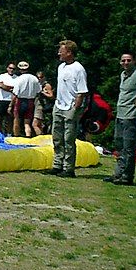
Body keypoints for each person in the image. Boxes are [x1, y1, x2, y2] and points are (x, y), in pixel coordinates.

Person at [48, 40, 88, 178]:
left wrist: (75, 108)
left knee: (69, 138)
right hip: (59, 105)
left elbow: (82, 92)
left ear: (69, 52)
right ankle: (57, 164)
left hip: (70, 107)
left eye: (61, 51)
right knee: (57, 137)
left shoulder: (78, 69)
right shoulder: (61, 67)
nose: (59, 53)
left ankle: (68, 168)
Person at [106, 53, 136, 186]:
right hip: (120, 115)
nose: (126, 63)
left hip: (132, 116)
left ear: (134, 61)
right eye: (123, 60)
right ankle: (118, 173)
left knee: (129, 148)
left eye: (129, 60)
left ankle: (127, 176)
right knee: (119, 145)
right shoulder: (123, 75)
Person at [11, 61, 41, 137]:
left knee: (17, 120)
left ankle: (16, 137)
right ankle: (28, 136)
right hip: (31, 101)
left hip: (20, 101)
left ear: (20, 69)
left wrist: (10, 105)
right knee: (27, 122)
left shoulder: (19, 79)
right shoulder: (34, 78)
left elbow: (15, 93)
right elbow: (38, 91)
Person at [0, 62, 17, 135]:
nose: (11, 70)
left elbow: (16, 89)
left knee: (9, 119)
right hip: (1, 100)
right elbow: (1, 85)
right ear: (7, 68)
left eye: (13, 68)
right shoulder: (2, 76)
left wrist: (7, 87)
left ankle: (9, 134)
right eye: (10, 68)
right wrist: (11, 88)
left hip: (11, 101)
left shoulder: (17, 78)